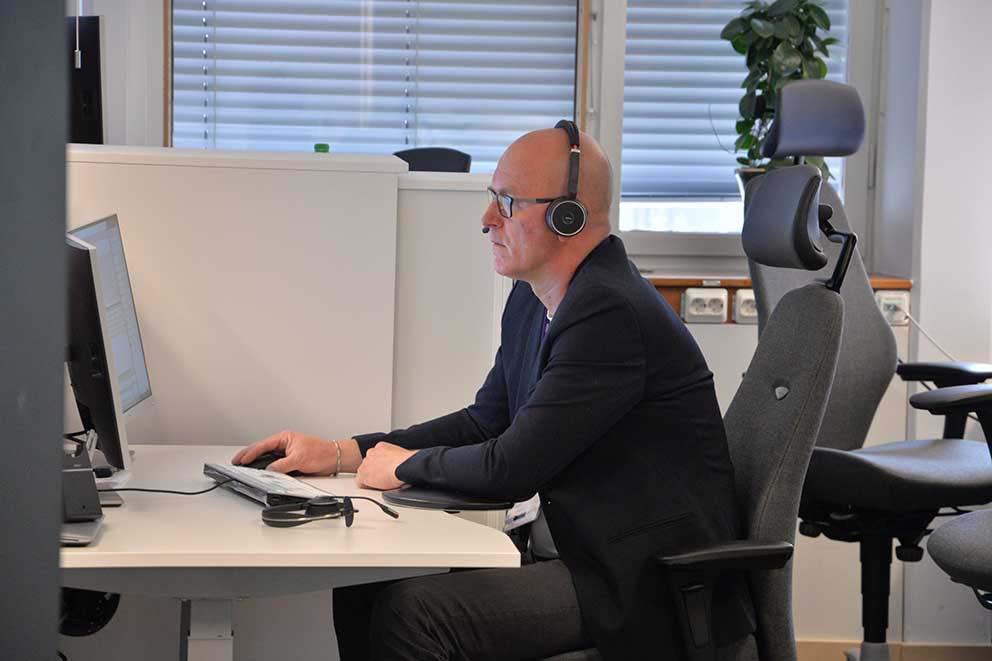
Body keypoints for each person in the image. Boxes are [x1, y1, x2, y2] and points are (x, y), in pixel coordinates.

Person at [232, 122, 754, 660]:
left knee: (414, 616)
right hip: (584, 553)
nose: (487, 219)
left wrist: (405, 465)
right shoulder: (534, 300)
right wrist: (344, 452)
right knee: (364, 582)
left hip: (639, 580)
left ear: (567, 216)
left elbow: (512, 466)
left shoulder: (610, 313)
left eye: (506, 202)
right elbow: (486, 422)